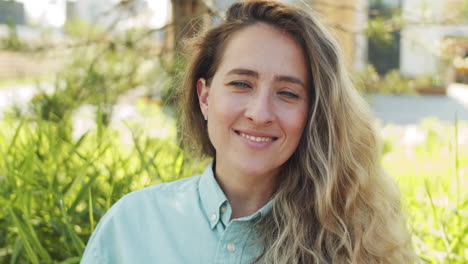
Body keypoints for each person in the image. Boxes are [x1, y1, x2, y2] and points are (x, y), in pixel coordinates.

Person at [81, 0, 416, 263]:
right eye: (241, 84)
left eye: (287, 93)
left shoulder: (356, 243)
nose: (260, 113)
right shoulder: (131, 225)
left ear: (313, 113)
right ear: (205, 96)